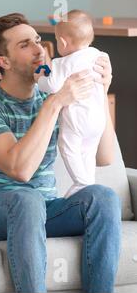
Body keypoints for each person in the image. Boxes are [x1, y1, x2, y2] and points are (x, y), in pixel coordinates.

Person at [0, 13, 120, 292]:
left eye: (38, 39)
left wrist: (100, 92)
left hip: (45, 209)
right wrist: (56, 103)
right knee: (27, 199)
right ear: (4, 61)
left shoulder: (54, 94)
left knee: (103, 197)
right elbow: (20, 170)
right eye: (25, 45)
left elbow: (104, 157)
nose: (39, 49)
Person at [35, 10, 109, 197]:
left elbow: (51, 85)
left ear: (63, 42)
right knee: (88, 153)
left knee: (68, 146)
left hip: (78, 121)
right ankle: (89, 185)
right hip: (98, 119)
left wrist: (40, 76)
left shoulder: (62, 63)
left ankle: (81, 183)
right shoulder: (99, 56)